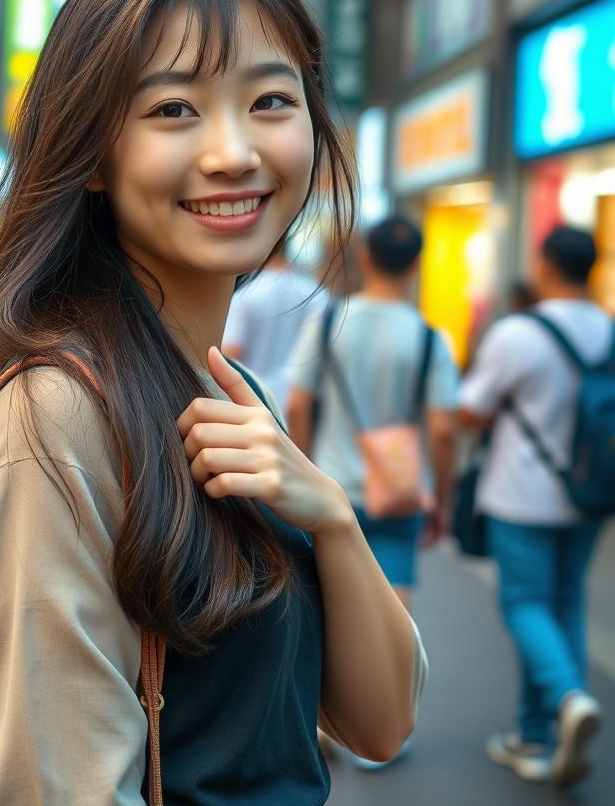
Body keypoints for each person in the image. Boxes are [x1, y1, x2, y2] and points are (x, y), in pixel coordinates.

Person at [0, 0, 427, 803]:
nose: (233, 153)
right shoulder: (56, 415)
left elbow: (380, 725)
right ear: (93, 153)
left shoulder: (230, 392)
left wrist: (332, 518)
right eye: (175, 109)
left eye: (270, 101)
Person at [458, 225, 610, 789]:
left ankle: (569, 702)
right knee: (564, 601)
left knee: (525, 603)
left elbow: (470, 411)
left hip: (522, 494)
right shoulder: (609, 330)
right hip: (592, 495)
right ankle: (535, 737)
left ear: (546, 264)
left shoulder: (519, 333)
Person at [288, 218, 459, 612]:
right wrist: (443, 501)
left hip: (331, 485)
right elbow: (444, 431)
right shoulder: (431, 338)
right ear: (417, 265)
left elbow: (298, 404)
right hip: (397, 491)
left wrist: (303, 468)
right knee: (392, 610)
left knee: (330, 606)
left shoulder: (328, 322)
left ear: (366, 258)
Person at [222, 247, 329, 410]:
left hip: (253, 401)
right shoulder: (317, 295)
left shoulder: (245, 296)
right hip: (304, 406)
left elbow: (228, 357)